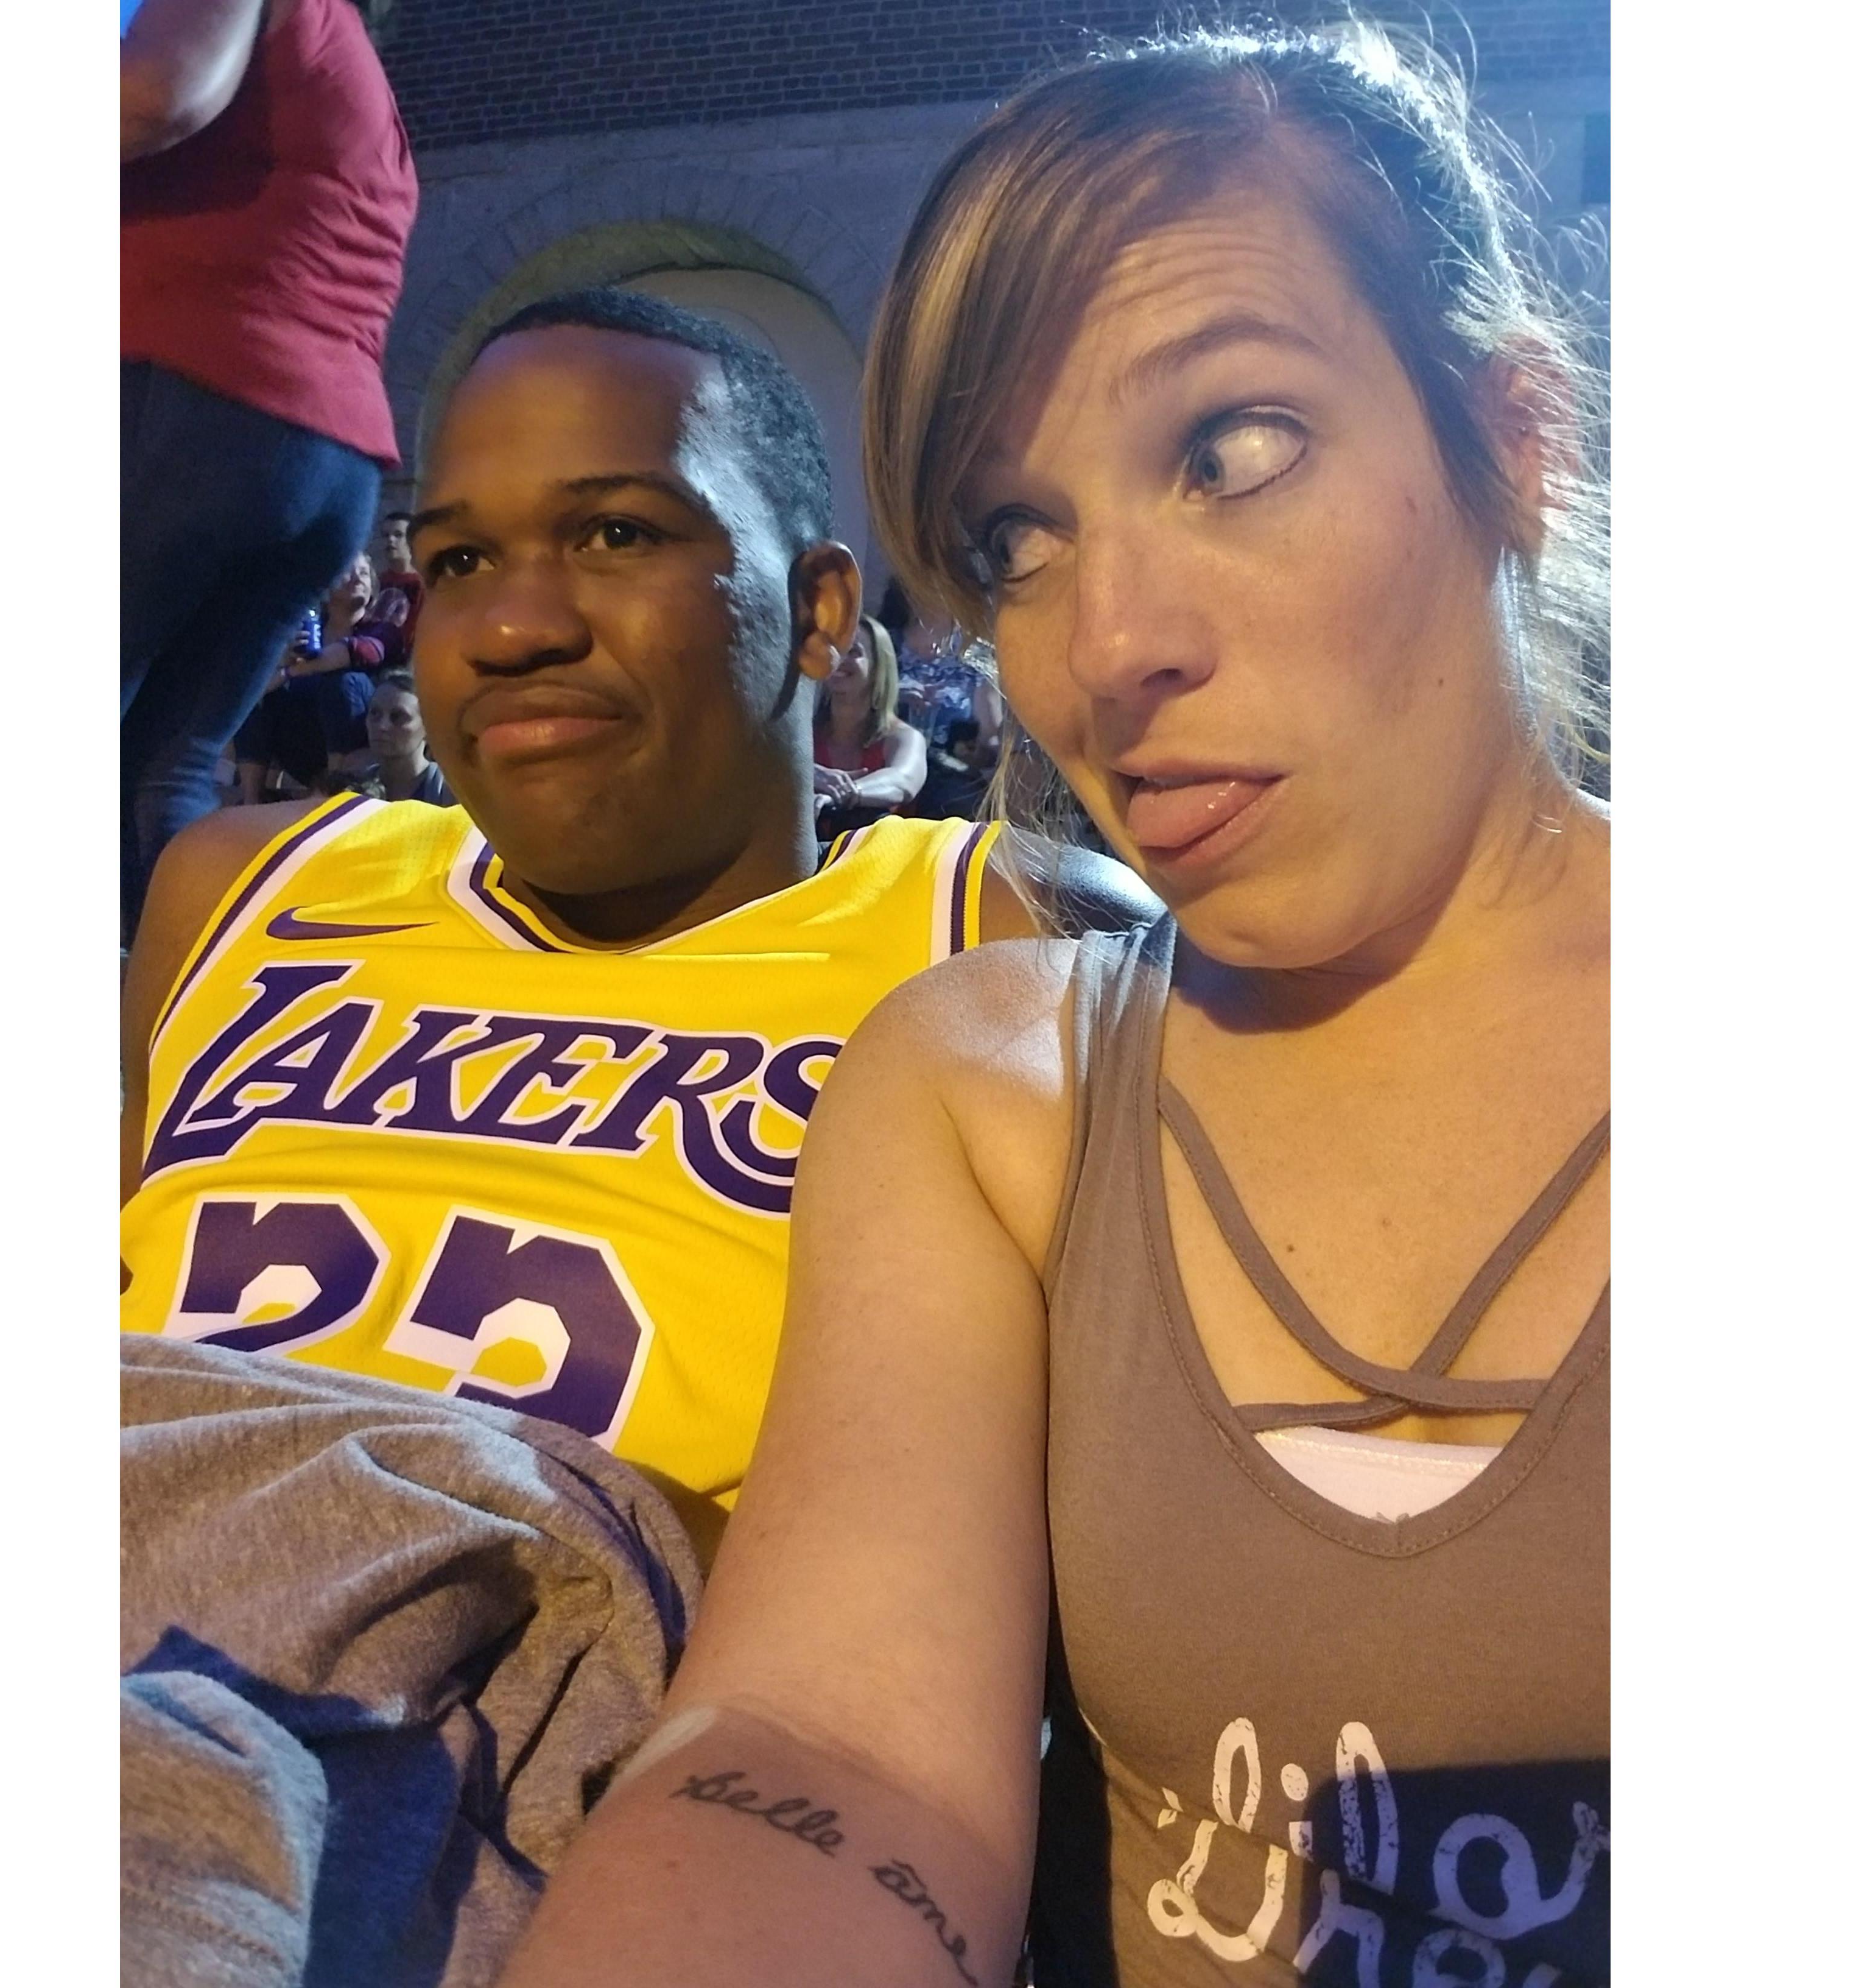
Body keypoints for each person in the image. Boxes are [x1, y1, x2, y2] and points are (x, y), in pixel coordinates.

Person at [501, 23, 1609, 1988]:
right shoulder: (995, 1084)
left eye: (1232, 451)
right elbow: (829, 1743)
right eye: (1018, 541)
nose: (1106, 649)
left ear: (1516, 441)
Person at [121, 289, 1156, 1563]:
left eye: (616, 533)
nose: (513, 627)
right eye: (458, 561)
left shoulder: (1004, 936)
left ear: (822, 612)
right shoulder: (245, 886)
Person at [121, 0, 418, 937]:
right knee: (167, 768)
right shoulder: (371, 101)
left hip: (196, 397)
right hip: (324, 461)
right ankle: (170, 1014)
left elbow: (155, 93)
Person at [231, 551, 382, 798]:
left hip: (358, 748)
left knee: (343, 683)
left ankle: (335, 790)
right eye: (349, 571)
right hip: (304, 744)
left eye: (364, 573)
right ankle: (251, 798)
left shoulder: (381, 630)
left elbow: (353, 652)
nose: (358, 578)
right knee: (259, 699)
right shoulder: (307, 630)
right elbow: (250, 692)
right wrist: (283, 661)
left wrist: (292, 670)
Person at [813, 615, 928, 833]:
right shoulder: (806, 733)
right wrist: (811, 774)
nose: (839, 658)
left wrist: (846, 793)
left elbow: (903, 780)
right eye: (834, 649)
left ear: (878, 666)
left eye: (853, 651)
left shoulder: (903, 737)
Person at [357, 668, 455, 805]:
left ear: (429, 727)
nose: (382, 726)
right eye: (375, 714)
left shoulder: (451, 793)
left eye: (398, 717)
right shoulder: (354, 790)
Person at [371, 507, 426, 668]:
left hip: (404, 665)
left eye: (398, 535)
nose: (390, 540)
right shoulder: (375, 583)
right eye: (386, 535)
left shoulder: (423, 585)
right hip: (371, 658)